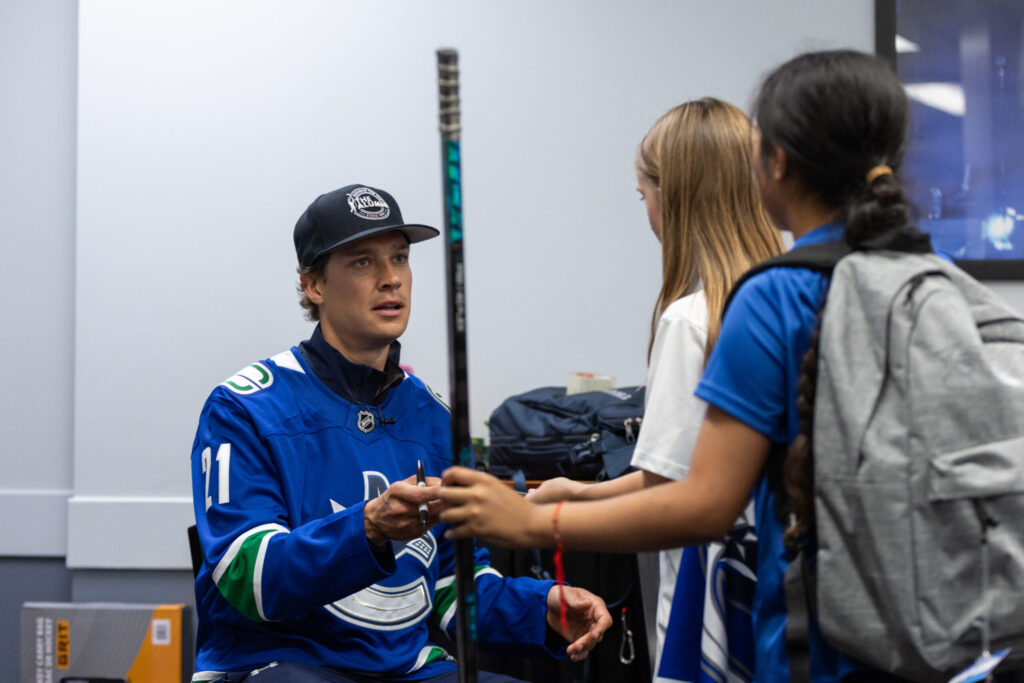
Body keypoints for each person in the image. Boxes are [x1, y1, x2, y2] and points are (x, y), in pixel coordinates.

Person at [439, 50, 914, 682]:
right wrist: (582, 491)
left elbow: (694, 499)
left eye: (644, 194)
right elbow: (688, 468)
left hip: (744, 595)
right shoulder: (869, 286)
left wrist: (531, 522)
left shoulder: (710, 315)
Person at [189, 183, 611, 683]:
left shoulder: (434, 418)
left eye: (400, 258)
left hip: (408, 670)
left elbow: (456, 588)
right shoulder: (243, 407)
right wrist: (369, 526)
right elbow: (251, 579)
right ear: (314, 285)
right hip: (280, 664)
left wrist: (542, 606)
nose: (392, 279)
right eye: (363, 262)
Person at [526, 98, 782, 679]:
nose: (646, 213)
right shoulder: (788, 302)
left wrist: (555, 511)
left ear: (676, 197)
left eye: (644, 196)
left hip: (714, 593)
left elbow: (668, 491)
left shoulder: (692, 321)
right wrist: (575, 489)